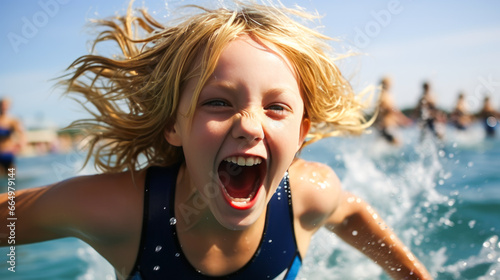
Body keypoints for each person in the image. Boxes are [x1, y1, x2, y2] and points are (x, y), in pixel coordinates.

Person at [0, 2, 432, 280]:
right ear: (174, 126)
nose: (249, 125)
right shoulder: (125, 211)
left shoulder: (306, 195)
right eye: (219, 103)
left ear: (301, 133)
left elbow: (352, 210)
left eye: (276, 108)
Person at [374, 76, 412, 145]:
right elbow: (392, 109)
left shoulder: (381, 95)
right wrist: (404, 119)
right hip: (387, 127)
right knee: (396, 144)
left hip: (385, 127)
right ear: (387, 84)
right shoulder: (384, 96)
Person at [0, 97, 25, 176]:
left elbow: (22, 134)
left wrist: (19, 146)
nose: (4, 107)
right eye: (3, 105)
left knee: (11, 181)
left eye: (6, 105)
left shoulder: (12, 120)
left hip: (9, 154)